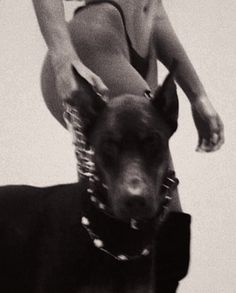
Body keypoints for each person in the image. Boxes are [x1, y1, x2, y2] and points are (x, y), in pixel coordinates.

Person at [32, 0, 224, 212]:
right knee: (159, 212)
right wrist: (63, 60)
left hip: (141, 44)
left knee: (155, 209)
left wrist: (197, 94)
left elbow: (154, 10)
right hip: (97, 39)